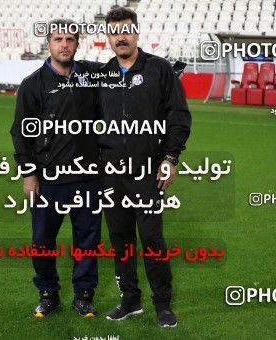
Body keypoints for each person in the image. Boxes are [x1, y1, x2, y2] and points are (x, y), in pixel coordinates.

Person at [98, 7, 192, 327]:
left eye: (126, 30)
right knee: (121, 240)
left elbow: (177, 116)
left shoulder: (159, 69)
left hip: (147, 172)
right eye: (114, 32)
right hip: (112, 175)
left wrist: (170, 159)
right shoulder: (103, 76)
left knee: (152, 239)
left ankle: (162, 304)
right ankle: (130, 300)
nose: (120, 37)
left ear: (137, 33)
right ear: (108, 38)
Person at [10, 18, 102, 318]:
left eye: (70, 40)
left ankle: (84, 296)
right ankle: (48, 293)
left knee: (87, 241)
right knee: (42, 241)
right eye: (58, 39)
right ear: (47, 43)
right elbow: (21, 133)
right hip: (48, 181)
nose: (64, 44)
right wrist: (29, 173)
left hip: (88, 178)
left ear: (78, 43)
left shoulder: (92, 76)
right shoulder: (32, 85)